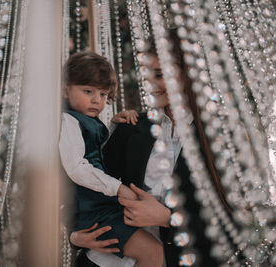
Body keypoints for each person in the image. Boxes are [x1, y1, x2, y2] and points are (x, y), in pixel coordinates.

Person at [70, 36, 232, 266]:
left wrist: (168, 219)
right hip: (106, 259)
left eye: (159, 74)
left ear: (190, 75)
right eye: (146, 74)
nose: (148, 83)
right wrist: (74, 236)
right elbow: (83, 185)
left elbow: (231, 225)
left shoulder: (221, 141)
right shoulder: (132, 127)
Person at [59, 51, 164, 267]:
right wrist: (118, 188)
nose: (96, 100)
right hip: (92, 210)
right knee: (153, 253)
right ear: (65, 90)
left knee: (152, 252)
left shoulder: (87, 121)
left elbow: (97, 156)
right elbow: (77, 167)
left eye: (104, 94)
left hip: (101, 206)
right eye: (88, 91)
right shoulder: (67, 121)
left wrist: (114, 126)